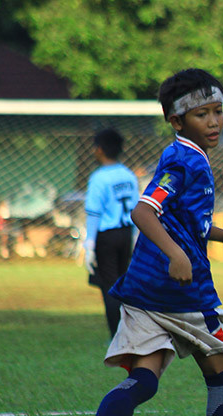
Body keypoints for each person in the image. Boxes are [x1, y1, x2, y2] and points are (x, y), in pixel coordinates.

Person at [57, 69, 223, 416]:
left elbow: (187, 220)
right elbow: (145, 211)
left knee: (146, 378)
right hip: (182, 292)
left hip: (144, 286)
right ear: (177, 121)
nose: (214, 121)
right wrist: (177, 255)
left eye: (218, 112)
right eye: (202, 114)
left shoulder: (186, 155)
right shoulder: (184, 160)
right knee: (222, 376)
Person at [84, 128, 140, 337]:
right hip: (126, 233)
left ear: (99, 149)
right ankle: (129, 331)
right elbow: (137, 209)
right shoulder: (128, 175)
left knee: (109, 286)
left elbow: (94, 212)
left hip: (106, 236)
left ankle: (117, 337)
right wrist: (134, 236)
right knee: (123, 283)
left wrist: (89, 244)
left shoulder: (99, 178)